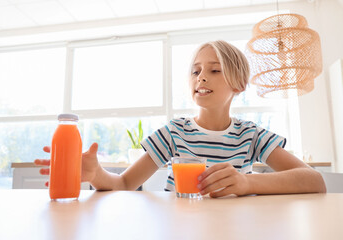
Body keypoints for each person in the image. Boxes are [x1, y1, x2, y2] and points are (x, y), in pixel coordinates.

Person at [35, 40, 326, 197]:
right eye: (195, 70)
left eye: (214, 70)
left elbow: (314, 181)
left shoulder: (251, 135)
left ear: (239, 85)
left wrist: (249, 184)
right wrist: (96, 176)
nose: (201, 76)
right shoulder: (175, 132)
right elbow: (124, 184)